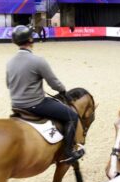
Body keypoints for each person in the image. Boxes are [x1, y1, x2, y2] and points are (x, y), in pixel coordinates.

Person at [6, 25, 85, 164]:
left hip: (16, 105)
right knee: (71, 115)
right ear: (30, 39)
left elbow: (9, 84)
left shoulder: (10, 62)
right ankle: (68, 152)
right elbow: (54, 83)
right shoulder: (38, 60)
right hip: (35, 104)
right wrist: (62, 90)